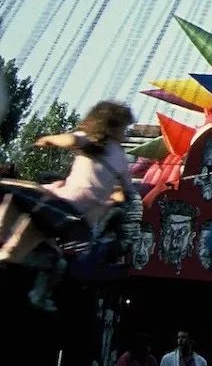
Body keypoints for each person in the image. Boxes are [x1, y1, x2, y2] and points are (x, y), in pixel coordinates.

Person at [0, 99, 136, 310]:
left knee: (12, 194)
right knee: (35, 236)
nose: (125, 133)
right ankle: (41, 287)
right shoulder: (121, 159)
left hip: (64, 206)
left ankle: (8, 246)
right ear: (112, 126)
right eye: (123, 128)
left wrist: (47, 139)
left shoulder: (93, 142)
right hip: (78, 223)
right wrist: (110, 198)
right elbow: (125, 193)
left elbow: (71, 139)